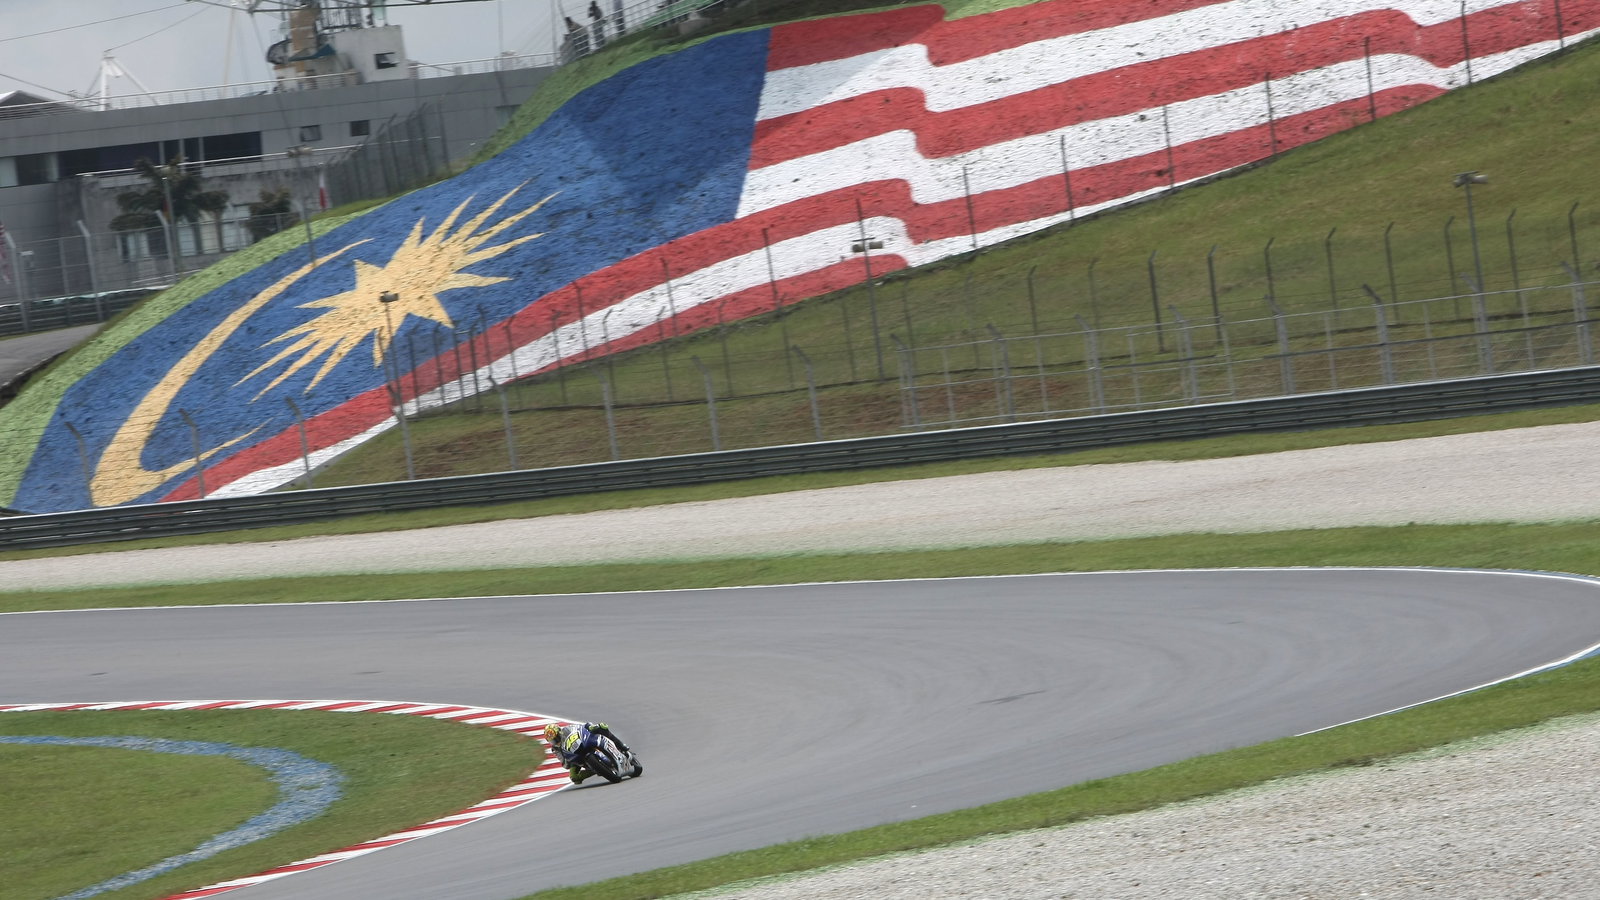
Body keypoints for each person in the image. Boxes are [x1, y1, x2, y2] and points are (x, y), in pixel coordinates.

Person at [543, 721, 632, 784]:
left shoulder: (567, 729)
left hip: (581, 743)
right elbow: (564, 764)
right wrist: (568, 760)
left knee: (602, 727)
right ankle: (596, 770)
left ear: (560, 733)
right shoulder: (555, 749)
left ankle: (620, 745)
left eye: (556, 738)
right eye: (553, 741)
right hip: (573, 757)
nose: (555, 741)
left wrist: (589, 727)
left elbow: (580, 727)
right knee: (574, 777)